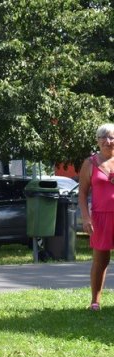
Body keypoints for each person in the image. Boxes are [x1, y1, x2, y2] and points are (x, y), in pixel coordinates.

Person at [78, 123, 114, 312]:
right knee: (101, 260)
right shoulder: (90, 163)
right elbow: (82, 194)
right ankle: (95, 301)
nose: (108, 141)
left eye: (111, 138)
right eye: (103, 137)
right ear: (98, 141)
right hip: (100, 218)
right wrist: (86, 218)